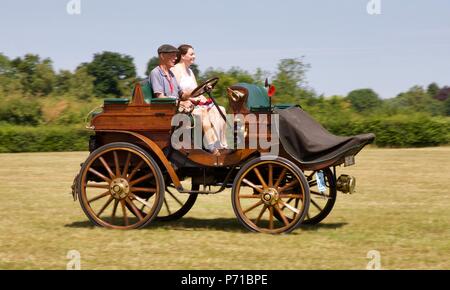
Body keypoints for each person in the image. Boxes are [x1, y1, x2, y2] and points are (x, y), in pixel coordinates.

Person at [171, 44, 228, 155]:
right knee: (210, 111)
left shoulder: (190, 72)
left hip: (195, 101)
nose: (194, 56)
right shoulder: (175, 70)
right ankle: (211, 145)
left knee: (221, 109)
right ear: (182, 56)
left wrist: (204, 91)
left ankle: (222, 144)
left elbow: (196, 90)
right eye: (191, 54)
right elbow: (178, 92)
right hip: (185, 103)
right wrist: (192, 99)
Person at [149, 44, 193, 113]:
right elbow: (160, 97)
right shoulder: (156, 73)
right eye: (173, 55)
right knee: (200, 112)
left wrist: (195, 92)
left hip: (175, 108)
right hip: (166, 111)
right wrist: (181, 103)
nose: (176, 58)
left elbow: (181, 95)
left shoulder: (171, 74)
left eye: (176, 55)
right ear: (162, 56)